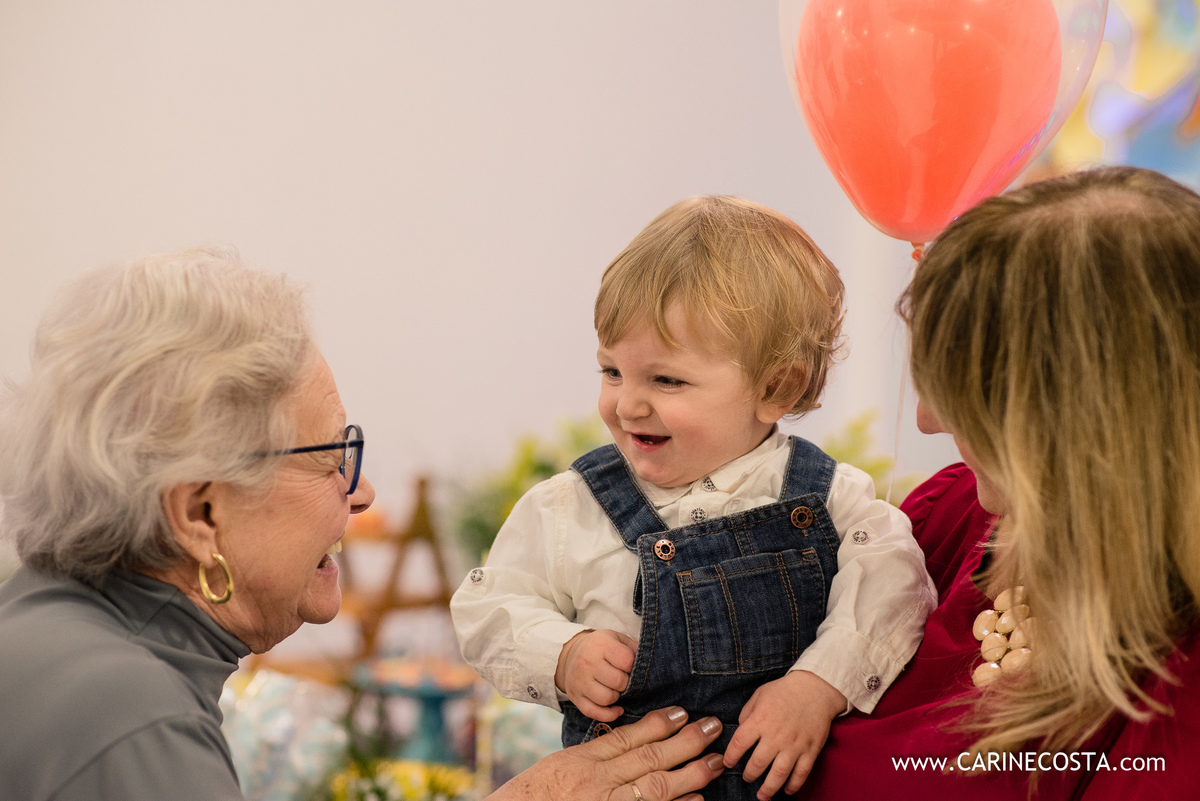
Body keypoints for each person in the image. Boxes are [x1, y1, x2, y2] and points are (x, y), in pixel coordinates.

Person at [0, 247, 727, 801]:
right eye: (330, 458)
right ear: (200, 512)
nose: (364, 493)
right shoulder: (127, 716)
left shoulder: (56, 634)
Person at [452, 196, 937, 800]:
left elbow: (895, 585)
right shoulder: (570, 508)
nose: (627, 404)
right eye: (612, 372)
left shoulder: (830, 498)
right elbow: (489, 604)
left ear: (775, 387)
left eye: (666, 380)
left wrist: (819, 684)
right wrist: (562, 652)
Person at [796, 166, 1200, 798]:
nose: (927, 421)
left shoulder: (1174, 689)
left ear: (1086, 418)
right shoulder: (949, 517)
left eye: (969, 394)